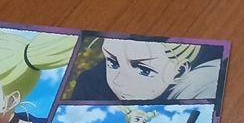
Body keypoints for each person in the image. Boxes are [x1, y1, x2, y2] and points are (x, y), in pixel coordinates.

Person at [70, 37, 219, 101]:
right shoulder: (90, 85)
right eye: (113, 63)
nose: (119, 81)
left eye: (144, 70)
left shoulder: (206, 80)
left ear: (179, 71)